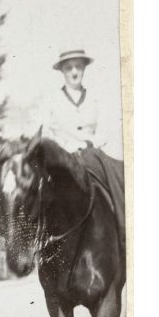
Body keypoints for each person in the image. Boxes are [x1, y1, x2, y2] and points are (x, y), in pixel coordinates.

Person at [38, 49, 126, 253]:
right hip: (62, 155)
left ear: (84, 69)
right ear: (62, 71)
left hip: (91, 153)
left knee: (118, 178)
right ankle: (40, 242)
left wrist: (89, 142)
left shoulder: (95, 98)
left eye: (78, 66)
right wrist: (62, 148)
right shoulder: (51, 99)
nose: (74, 72)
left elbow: (106, 128)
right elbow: (46, 131)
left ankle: (123, 232)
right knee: (39, 190)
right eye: (69, 68)